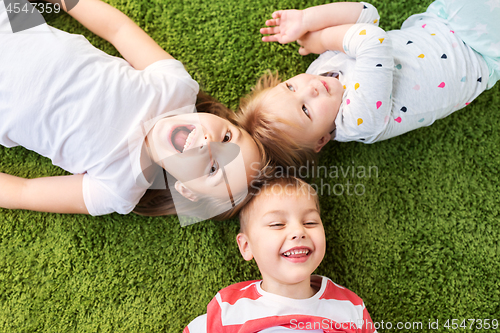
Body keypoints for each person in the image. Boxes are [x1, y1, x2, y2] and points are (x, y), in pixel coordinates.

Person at [0, 0, 265, 223]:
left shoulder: (118, 188)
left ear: (187, 191)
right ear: (222, 118)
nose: (209, 143)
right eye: (228, 138)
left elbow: (25, 191)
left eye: (213, 169)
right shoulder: (176, 88)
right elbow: (119, 29)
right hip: (14, 22)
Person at [237, 0, 500, 168]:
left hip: (439, 20)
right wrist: (323, 39)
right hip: (480, 52)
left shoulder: (320, 74)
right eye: (305, 110)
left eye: (290, 87)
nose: (310, 89)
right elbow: (373, 39)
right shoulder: (357, 120)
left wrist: (307, 20)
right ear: (321, 140)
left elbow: (367, 15)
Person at [184, 177, 376, 333]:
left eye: (310, 222)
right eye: (277, 224)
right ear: (246, 246)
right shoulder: (229, 308)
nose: (298, 231)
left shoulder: (350, 306)